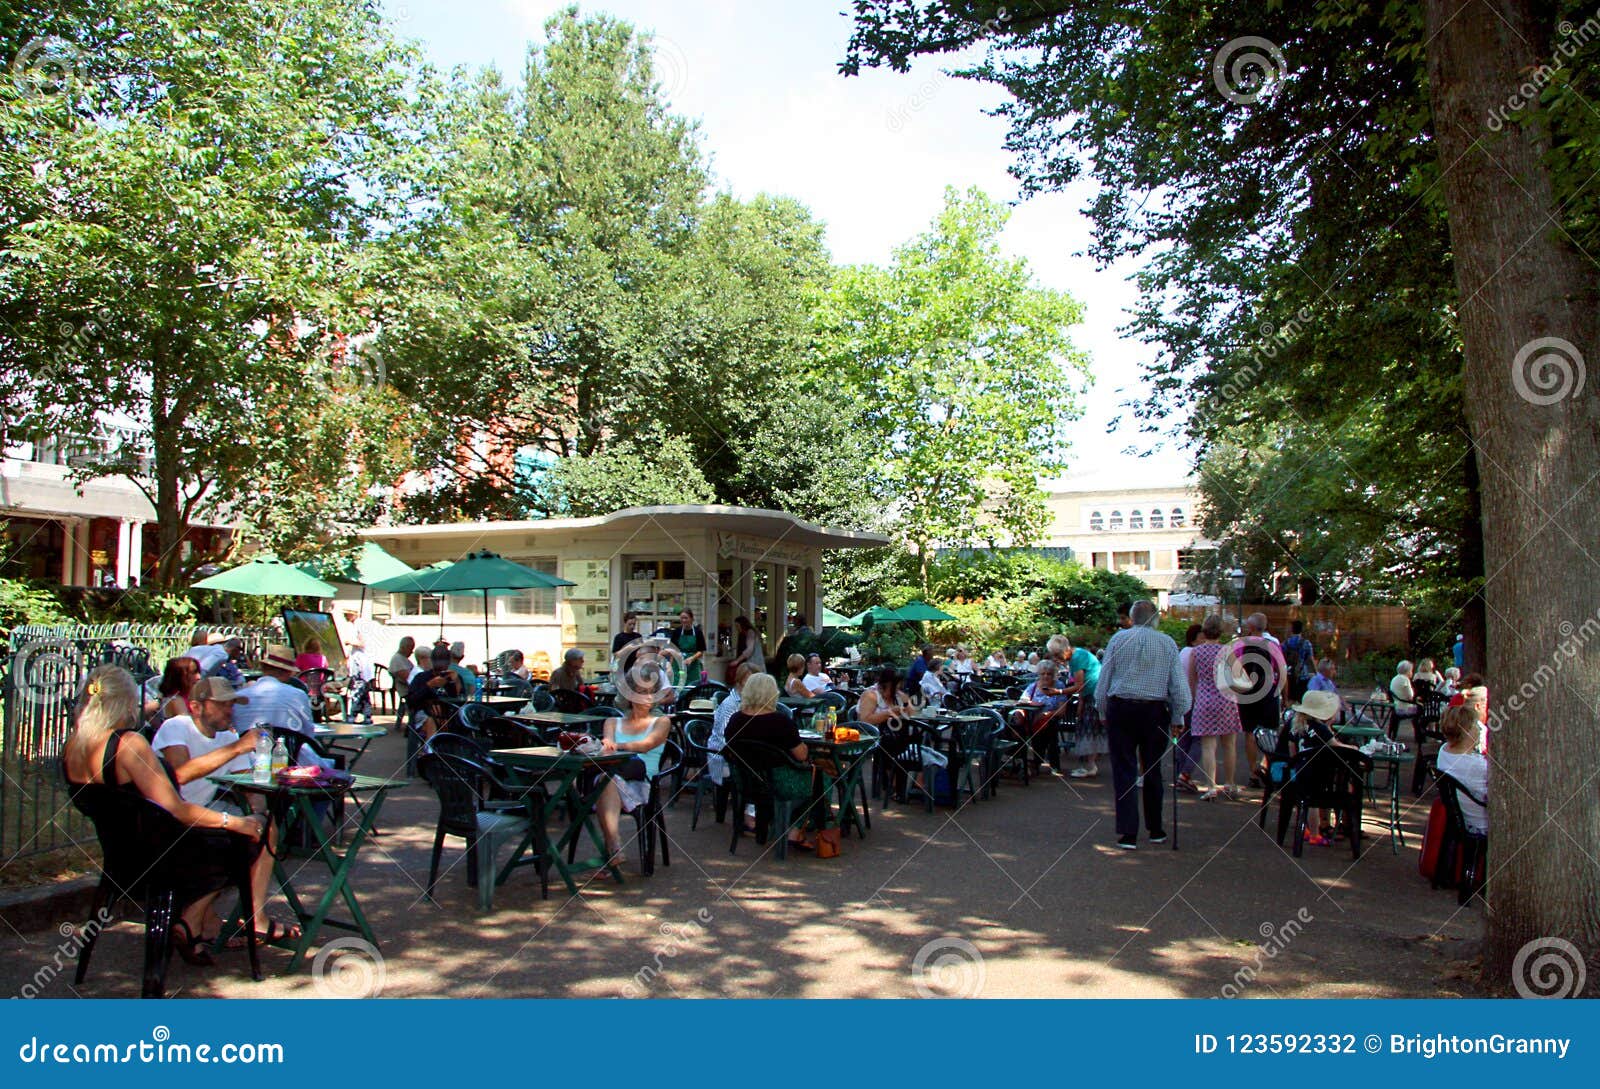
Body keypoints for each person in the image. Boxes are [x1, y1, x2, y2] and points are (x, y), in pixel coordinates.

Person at [63, 666, 294, 963]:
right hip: (164, 856)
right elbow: (176, 808)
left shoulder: (74, 744)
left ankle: (196, 924)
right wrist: (236, 822)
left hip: (121, 856)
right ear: (126, 702)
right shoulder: (129, 744)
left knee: (244, 829)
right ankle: (195, 922)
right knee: (252, 835)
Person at [1096, 600, 1190, 849]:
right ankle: (1156, 829)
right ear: (1156, 618)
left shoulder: (1118, 639)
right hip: (1154, 711)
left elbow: (1104, 679)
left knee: (1124, 770)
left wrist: (1102, 710)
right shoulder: (1167, 642)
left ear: (1131, 617)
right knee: (1152, 769)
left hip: (1122, 708)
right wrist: (1178, 716)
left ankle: (1128, 833)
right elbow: (1179, 687)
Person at [724, 672, 825, 850]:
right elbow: (801, 755)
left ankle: (781, 824)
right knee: (820, 776)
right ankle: (797, 828)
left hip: (747, 781)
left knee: (810, 775)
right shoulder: (780, 721)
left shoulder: (735, 720)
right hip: (780, 782)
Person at [593, 669, 672, 869]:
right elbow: (606, 744)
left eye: (651, 692)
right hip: (612, 777)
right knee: (606, 779)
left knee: (604, 781)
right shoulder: (612, 722)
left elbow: (646, 745)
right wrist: (607, 746)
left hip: (643, 783)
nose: (647, 697)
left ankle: (612, 847)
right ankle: (615, 846)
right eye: (641, 692)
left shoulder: (662, 721)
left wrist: (616, 747)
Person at [151, 676, 260, 810]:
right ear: (196, 707)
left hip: (202, 810)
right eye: (221, 704)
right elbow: (180, 775)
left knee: (261, 823)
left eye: (231, 705)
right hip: (164, 813)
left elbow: (249, 786)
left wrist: (261, 814)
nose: (229, 711)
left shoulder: (229, 738)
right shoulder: (176, 726)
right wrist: (237, 747)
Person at [1284, 689, 1364, 846]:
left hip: (1300, 770)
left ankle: (1306, 828)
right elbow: (1336, 746)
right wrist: (1353, 748)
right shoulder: (1321, 730)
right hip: (1315, 773)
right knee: (1313, 804)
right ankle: (1315, 833)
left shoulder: (1298, 727)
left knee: (1303, 800)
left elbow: (1292, 748)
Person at [1186, 614, 1244, 800]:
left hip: (1204, 700)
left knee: (1208, 746)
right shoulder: (1228, 652)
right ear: (1221, 631)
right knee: (1229, 744)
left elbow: (1192, 679)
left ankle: (1211, 786)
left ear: (1204, 631)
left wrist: (1196, 699)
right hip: (1226, 700)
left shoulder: (1196, 652)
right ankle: (1229, 783)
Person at [238, 646, 316, 738]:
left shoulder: (239, 697)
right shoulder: (298, 695)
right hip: (290, 750)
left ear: (263, 668)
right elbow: (309, 732)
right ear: (289, 673)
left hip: (248, 751)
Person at [1435, 703, 1489, 833]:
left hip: (1460, 816)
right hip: (1479, 823)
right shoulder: (1476, 766)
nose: (1479, 729)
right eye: (1476, 725)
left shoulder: (1444, 751)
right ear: (1468, 731)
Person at [1060, 636, 1105, 779]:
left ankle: (1090, 766)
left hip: (1093, 697)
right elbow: (1083, 684)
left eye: (1057, 654)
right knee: (1090, 729)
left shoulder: (1076, 658)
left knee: (1088, 730)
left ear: (1064, 650)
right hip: (1092, 695)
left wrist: (1058, 692)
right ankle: (1090, 764)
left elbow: (1079, 685)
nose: (1056, 658)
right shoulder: (1079, 654)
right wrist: (1080, 700)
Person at [405, 645, 465, 746]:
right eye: (437, 667)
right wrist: (429, 686)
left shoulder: (453, 677)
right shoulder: (421, 677)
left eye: (443, 666)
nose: (440, 670)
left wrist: (456, 682)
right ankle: (430, 752)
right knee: (431, 720)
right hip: (425, 715)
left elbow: (461, 699)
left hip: (449, 715)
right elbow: (411, 701)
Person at [708, 662, 754, 786]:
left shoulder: (751, 702)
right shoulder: (731, 705)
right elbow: (725, 740)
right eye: (748, 682)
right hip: (723, 760)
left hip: (739, 756)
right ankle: (750, 803)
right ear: (739, 681)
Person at [1173, 622, 1205, 793]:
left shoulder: (1183, 652)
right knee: (1198, 739)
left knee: (1184, 738)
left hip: (1181, 700)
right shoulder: (1195, 653)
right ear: (1194, 640)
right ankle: (1185, 774)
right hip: (1195, 700)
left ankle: (1180, 773)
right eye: (1202, 637)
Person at [150, 656, 201, 729]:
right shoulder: (176, 700)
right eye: (193, 673)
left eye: (198, 672)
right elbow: (189, 728)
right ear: (179, 676)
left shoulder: (189, 696)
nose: (199, 677)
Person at [671, 609, 707, 687]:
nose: (684, 620)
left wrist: (691, 658)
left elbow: (701, 651)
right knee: (677, 686)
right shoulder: (677, 632)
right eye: (682, 618)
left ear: (691, 619)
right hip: (678, 664)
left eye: (686, 618)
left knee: (692, 687)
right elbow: (672, 650)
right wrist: (670, 666)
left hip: (693, 666)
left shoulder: (698, 632)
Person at [1282, 620, 1316, 701]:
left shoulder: (1285, 643)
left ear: (1292, 629)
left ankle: (1289, 712)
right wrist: (1316, 672)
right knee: (1302, 699)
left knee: (1291, 699)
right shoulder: (1306, 643)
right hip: (1303, 675)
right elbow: (1310, 660)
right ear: (1301, 630)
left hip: (1289, 674)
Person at [345, 639, 375, 724]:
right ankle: (367, 717)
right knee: (364, 697)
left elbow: (362, 643)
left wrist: (350, 642)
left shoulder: (361, 637)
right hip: (362, 674)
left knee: (357, 696)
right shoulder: (357, 652)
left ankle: (352, 716)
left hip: (361, 674)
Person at [729, 615, 766, 682]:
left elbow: (749, 650)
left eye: (737, 626)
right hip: (755, 663)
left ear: (742, 625)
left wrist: (737, 660)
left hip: (755, 663)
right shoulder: (746, 633)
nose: (736, 628)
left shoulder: (750, 632)